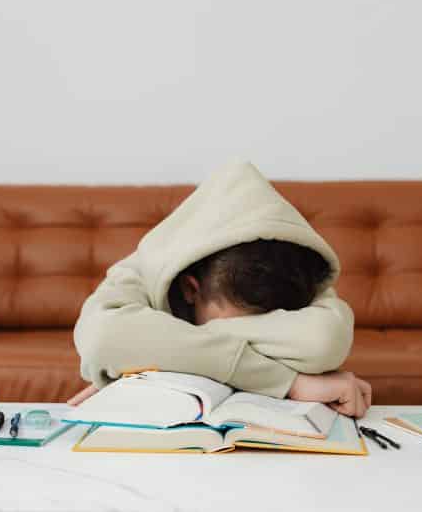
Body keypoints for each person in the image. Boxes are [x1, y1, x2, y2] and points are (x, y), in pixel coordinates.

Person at [68, 159, 372, 418]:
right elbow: (102, 338)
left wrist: (147, 354)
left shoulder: (293, 269)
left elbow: (323, 340)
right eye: (239, 321)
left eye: (266, 324)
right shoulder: (144, 267)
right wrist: (288, 382)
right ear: (191, 289)